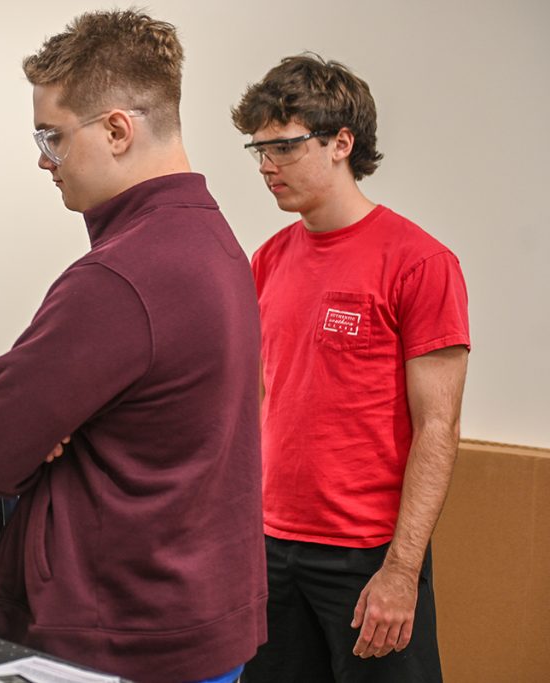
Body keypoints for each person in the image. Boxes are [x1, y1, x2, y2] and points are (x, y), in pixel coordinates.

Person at [0, 11, 266, 682]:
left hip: (117, 639)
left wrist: (31, 419)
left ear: (118, 130)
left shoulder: (119, 277)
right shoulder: (215, 243)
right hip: (197, 620)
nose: (43, 157)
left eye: (52, 136)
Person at [232, 54, 470, 681]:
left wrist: (400, 568)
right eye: (257, 149)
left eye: (282, 146)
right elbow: (258, 404)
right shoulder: (268, 260)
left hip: (367, 558)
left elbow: (438, 429)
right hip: (270, 548)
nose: (265, 166)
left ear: (342, 142)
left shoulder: (419, 262)